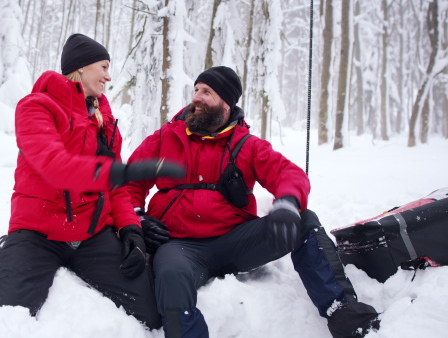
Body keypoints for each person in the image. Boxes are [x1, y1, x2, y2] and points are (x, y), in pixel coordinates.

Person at [126, 66, 381, 338]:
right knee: (171, 277)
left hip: (236, 242)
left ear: (226, 104)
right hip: (180, 247)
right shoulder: (166, 138)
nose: (197, 98)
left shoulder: (247, 145)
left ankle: (345, 314)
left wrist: (287, 203)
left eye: (207, 92)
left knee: (304, 221)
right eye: (196, 91)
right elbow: (129, 183)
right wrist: (137, 217)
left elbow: (289, 173)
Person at [0, 33, 185, 330]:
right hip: (39, 232)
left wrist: (130, 229)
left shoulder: (106, 121)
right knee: (2, 317)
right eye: (103, 67)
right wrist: (121, 172)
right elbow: (56, 167)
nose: (108, 77)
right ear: (82, 67)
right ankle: (5, 256)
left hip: (91, 234)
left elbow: (117, 189)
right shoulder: (37, 107)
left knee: (150, 313)